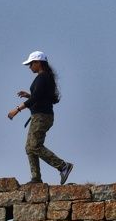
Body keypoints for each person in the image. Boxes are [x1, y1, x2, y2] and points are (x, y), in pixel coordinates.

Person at [8, 51, 73, 185]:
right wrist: (29, 95)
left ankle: (63, 166)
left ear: (38, 63)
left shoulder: (43, 77)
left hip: (41, 117)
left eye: (31, 64)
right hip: (42, 116)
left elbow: (37, 97)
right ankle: (36, 178)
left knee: (34, 146)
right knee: (29, 147)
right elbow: (43, 97)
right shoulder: (45, 77)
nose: (29, 66)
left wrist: (17, 109)